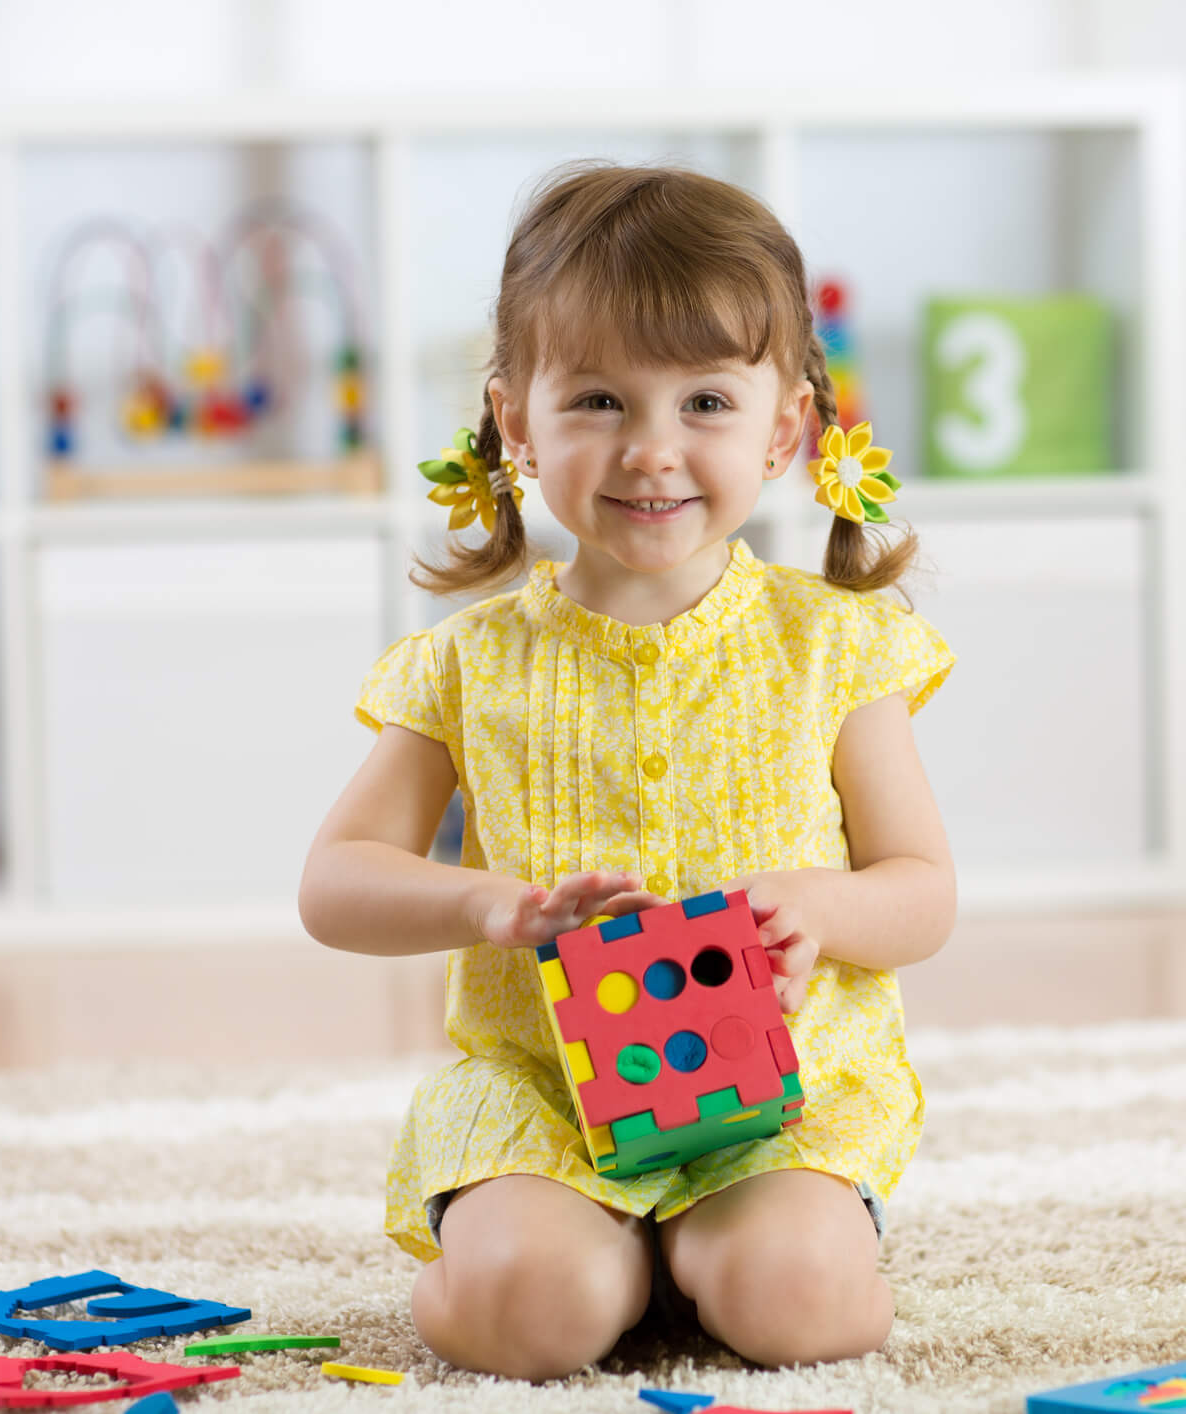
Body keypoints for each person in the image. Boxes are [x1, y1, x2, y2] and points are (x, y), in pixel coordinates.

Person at [299, 160, 956, 1380]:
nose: (652, 450)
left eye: (706, 401)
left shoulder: (835, 645)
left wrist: (819, 905)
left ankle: (722, 1249)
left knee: (797, 1303)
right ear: (515, 421)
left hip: (781, 1105)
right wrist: (491, 906)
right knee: (530, 1317)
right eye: (598, 398)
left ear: (787, 429)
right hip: (546, 1100)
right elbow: (335, 883)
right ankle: (586, 1255)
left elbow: (922, 889)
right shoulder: (468, 662)